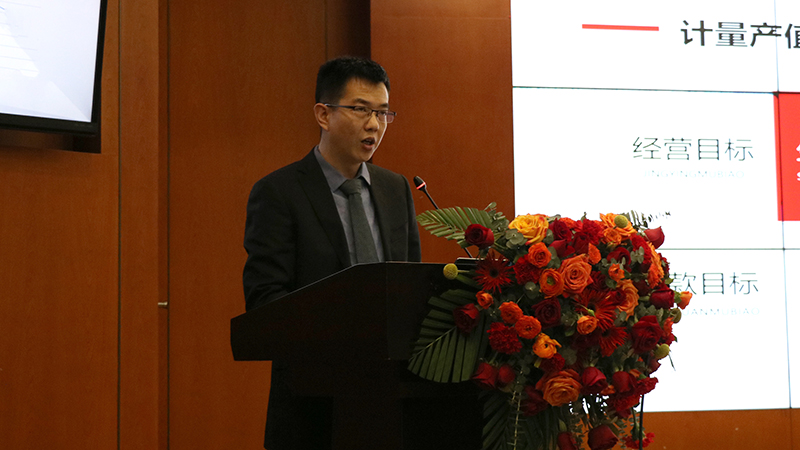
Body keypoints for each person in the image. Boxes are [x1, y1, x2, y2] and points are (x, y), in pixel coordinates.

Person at [242, 56, 422, 450]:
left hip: (392, 404)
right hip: (312, 405)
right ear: (323, 115)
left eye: (382, 113)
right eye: (360, 109)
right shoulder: (279, 193)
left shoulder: (396, 189)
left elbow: (410, 289)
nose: (374, 125)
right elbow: (265, 300)